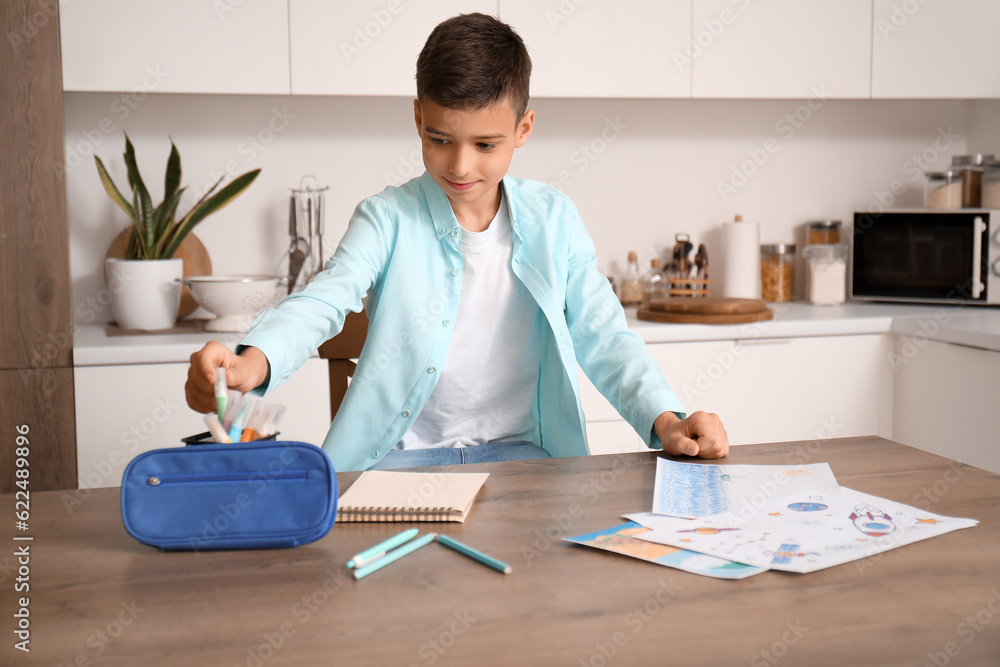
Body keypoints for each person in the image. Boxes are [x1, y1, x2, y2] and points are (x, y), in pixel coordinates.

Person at [185, 13, 729, 471]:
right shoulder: (386, 218)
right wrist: (251, 363)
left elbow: (604, 335)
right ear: (417, 116)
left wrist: (668, 420)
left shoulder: (554, 219)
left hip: (529, 460)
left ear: (524, 128)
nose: (461, 165)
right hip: (398, 461)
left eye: (486, 144)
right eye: (439, 139)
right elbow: (325, 300)